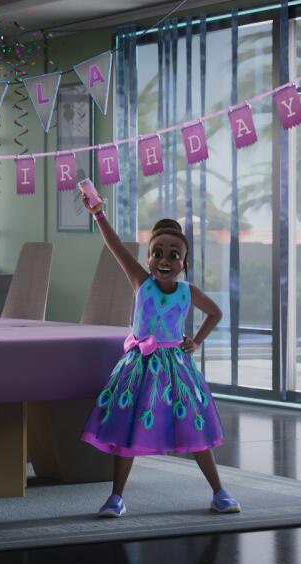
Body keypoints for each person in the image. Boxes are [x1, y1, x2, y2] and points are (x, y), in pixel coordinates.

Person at [78, 190, 240, 517]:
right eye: (157, 253)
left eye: (174, 255)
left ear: (185, 263)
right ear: (149, 257)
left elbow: (216, 313)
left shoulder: (187, 292)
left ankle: (219, 491)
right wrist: (98, 214)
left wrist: (195, 340)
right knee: (128, 430)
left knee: (195, 431)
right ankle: (117, 496)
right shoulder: (141, 282)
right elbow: (115, 246)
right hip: (139, 367)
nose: (165, 261)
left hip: (176, 368)